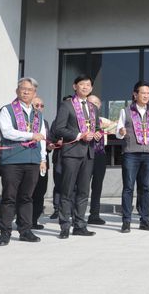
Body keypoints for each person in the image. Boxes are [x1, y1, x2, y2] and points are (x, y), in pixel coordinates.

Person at [0, 78, 47, 246]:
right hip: (12, 160)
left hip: (32, 160)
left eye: (29, 90)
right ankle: (5, 232)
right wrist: (31, 135)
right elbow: (8, 132)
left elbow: (43, 139)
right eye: (22, 89)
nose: (25, 92)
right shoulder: (7, 110)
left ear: (34, 93)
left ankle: (25, 230)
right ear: (17, 91)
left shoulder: (38, 114)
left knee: (27, 197)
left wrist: (43, 158)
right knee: (9, 197)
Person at [53, 75, 102, 239]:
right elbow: (59, 129)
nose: (85, 87)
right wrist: (80, 134)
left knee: (83, 191)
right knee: (67, 191)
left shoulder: (93, 107)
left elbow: (97, 127)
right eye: (82, 84)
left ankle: (80, 225)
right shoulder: (67, 105)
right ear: (75, 86)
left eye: (88, 85)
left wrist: (96, 133)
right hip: (72, 153)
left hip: (88, 153)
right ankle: (64, 226)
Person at [115, 81, 149, 233]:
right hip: (131, 154)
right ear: (135, 94)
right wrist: (120, 132)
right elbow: (118, 131)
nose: (146, 95)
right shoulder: (125, 111)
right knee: (128, 187)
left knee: (145, 188)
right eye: (143, 93)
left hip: (148, 154)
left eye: (148, 93)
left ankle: (144, 220)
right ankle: (126, 221)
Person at [86, 94, 112, 226]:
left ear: (100, 105)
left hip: (100, 155)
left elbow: (116, 126)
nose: (93, 105)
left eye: (96, 103)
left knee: (97, 186)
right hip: (85, 155)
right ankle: (75, 215)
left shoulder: (103, 121)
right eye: (90, 103)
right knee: (82, 186)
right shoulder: (82, 119)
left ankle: (94, 214)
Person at [30, 97, 54, 230]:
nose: (39, 107)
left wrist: (50, 146)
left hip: (43, 162)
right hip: (28, 160)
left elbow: (47, 141)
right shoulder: (25, 122)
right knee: (28, 192)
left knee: (40, 191)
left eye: (41, 105)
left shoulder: (44, 122)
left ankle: (34, 220)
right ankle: (24, 221)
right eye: (36, 105)